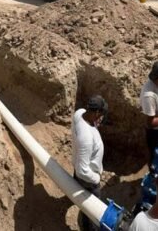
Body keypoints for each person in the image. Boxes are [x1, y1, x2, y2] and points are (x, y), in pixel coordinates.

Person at [72, 95, 108, 230]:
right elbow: (82, 171)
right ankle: (89, 227)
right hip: (88, 179)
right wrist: (96, 178)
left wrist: (94, 125)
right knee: (92, 208)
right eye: (101, 113)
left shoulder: (79, 113)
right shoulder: (86, 138)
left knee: (82, 196)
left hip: (77, 163)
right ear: (96, 112)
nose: (101, 117)